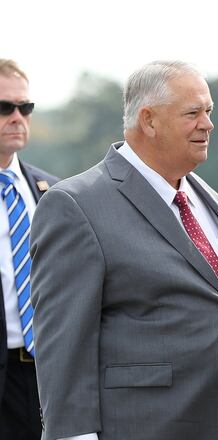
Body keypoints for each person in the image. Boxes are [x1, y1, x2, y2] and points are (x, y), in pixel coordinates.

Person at [30, 60, 218, 440]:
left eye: (209, 111)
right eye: (193, 113)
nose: (208, 124)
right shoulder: (76, 205)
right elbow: (63, 346)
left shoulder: (206, 195)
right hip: (149, 425)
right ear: (148, 120)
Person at [0, 59, 58, 440]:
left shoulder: (54, 192)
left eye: (26, 107)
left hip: (47, 372)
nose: (17, 117)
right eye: (5, 108)